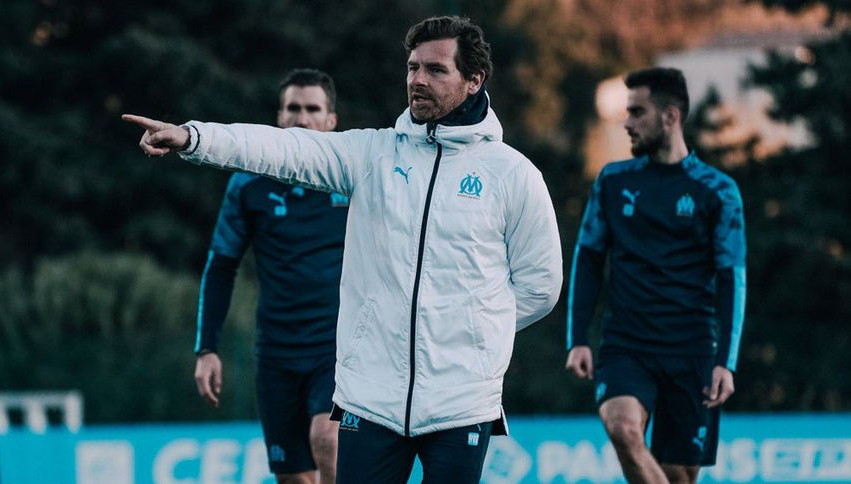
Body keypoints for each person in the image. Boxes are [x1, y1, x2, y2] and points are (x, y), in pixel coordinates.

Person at [124, 15, 563, 483]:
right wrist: (193, 137)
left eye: (436, 69)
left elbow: (541, 286)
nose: (417, 80)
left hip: (461, 403)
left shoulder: (512, 175)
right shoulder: (372, 155)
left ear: (474, 80)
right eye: (412, 67)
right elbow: (286, 149)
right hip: (369, 399)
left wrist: (470, 330)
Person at [565, 67, 746, 483]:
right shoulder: (613, 182)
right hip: (626, 344)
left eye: (637, 112)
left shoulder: (718, 191)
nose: (627, 123)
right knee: (622, 427)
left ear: (670, 116)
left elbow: (731, 278)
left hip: (692, 349)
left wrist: (726, 362)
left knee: (679, 475)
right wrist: (577, 338)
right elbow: (587, 258)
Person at [192, 69, 346, 484]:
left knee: (328, 439)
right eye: (293, 108)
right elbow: (221, 266)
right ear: (279, 117)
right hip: (276, 349)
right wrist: (206, 349)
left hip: (339, 345)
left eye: (312, 109)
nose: (302, 118)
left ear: (331, 121)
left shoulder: (352, 180)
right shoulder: (248, 184)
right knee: (294, 477)